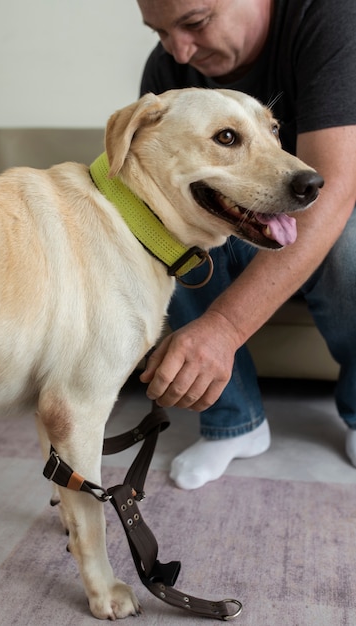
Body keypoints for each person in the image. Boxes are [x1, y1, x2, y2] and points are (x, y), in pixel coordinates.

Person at [136, 0, 356, 489]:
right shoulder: (168, 64)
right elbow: (156, 181)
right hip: (244, 222)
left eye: (194, 22)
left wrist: (224, 327)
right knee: (166, 225)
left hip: (335, 216)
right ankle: (234, 422)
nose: (179, 49)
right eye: (160, 31)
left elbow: (336, 188)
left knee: (345, 235)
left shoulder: (329, 19)